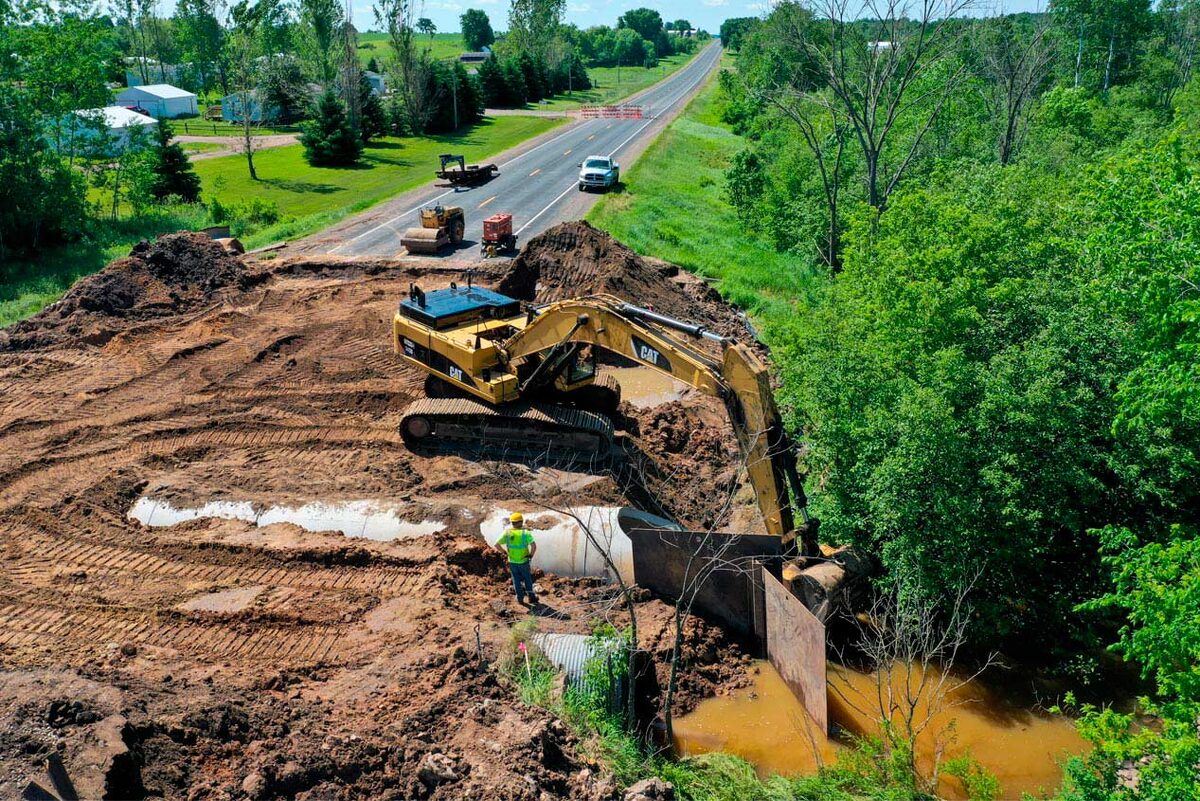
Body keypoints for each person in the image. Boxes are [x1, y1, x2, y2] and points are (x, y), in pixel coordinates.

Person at [496, 512, 538, 605]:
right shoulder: (525, 533)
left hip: (512, 561)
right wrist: (530, 555)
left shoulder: (507, 532)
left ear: (512, 522)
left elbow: (496, 544)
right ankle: (531, 597)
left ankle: (520, 599)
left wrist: (505, 553)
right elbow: (534, 546)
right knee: (527, 579)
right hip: (524, 561)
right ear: (521, 522)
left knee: (516, 580)